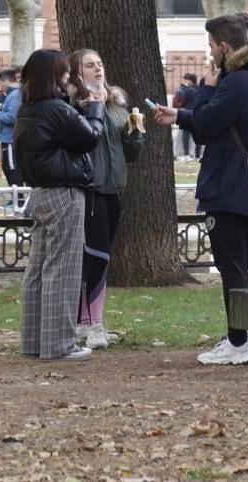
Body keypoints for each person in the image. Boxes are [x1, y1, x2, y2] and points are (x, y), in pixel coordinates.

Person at [153, 14, 248, 365]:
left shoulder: (236, 83)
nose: (210, 54)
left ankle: (238, 342)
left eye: (211, 47)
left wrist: (206, 89)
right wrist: (179, 116)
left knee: (232, 265)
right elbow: (221, 122)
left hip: (229, 185)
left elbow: (207, 127)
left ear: (225, 47)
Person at [14, 49, 105, 362]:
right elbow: (90, 136)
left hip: (41, 193)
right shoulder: (55, 108)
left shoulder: (30, 108)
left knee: (38, 268)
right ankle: (60, 344)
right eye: (65, 72)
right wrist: (95, 108)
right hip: (64, 192)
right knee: (62, 269)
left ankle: (34, 340)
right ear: (54, 75)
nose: (69, 77)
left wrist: (75, 110)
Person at [68, 49, 145, 351]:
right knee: (96, 256)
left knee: (101, 256)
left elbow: (131, 154)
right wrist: (92, 110)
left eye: (100, 64)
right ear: (77, 73)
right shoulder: (77, 106)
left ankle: (87, 323)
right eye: (89, 65)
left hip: (115, 188)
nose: (98, 69)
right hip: (90, 189)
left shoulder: (115, 103)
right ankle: (91, 325)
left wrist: (135, 133)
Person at [0, 69, 26, 201]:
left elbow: (12, 118)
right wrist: (1, 97)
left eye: (1, 83)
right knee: (8, 167)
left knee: (11, 168)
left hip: (10, 138)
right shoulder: (11, 94)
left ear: (7, 81)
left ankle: (18, 200)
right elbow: (7, 108)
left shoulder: (15, 95)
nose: (0, 86)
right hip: (7, 138)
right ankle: (16, 199)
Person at [173, 74, 199, 160]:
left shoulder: (186, 90)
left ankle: (186, 153)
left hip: (185, 113)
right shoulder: (198, 89)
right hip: (195, 113)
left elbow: (180, 103)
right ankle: (194, 154)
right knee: (192, 136)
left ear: (189, 80)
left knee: (184, 135)